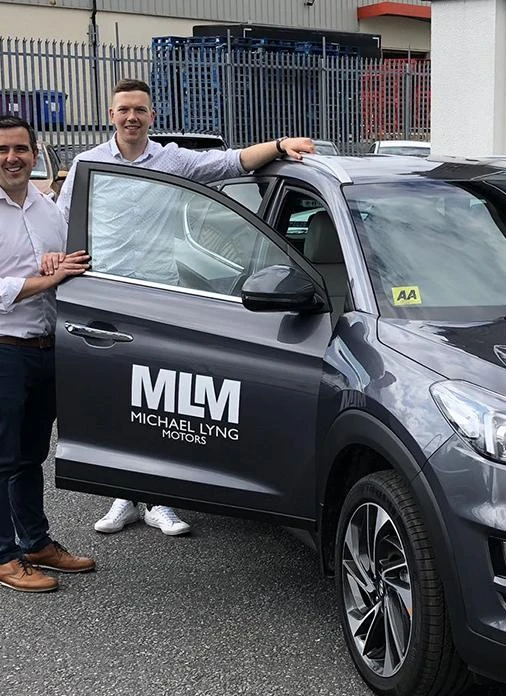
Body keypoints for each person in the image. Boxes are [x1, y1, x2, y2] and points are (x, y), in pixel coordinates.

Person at [54, 77, 316, 538]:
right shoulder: (87, 164)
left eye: (139, 110)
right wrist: (57, 267)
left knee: (155, 403)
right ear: (110, 115)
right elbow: (61, 222)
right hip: (105, 293)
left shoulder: (172, 159)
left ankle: (159, 499)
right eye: (123, 110)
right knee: (118, 399)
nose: (131, 117)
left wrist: (278, 145)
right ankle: (124, 496)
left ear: (151, 116)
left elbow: (230, 162)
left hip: (158, 299)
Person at [0, 115, 95, 593]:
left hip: (44, 349)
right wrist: (48, 278)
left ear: (35, 154)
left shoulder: (47, 207)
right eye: (3, 150)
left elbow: (62, 263)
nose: (13, 157)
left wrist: (54, 265)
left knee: (30, 456)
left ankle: (35, 543)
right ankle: (2, 557)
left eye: (22, 149)